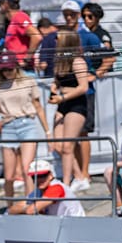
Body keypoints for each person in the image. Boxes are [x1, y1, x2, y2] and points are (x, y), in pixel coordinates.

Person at [0, 52, 50, 200]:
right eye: (4, 70)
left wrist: (47, 131)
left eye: (10, 69)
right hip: (8, 126)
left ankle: (30, 203)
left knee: (27, 169)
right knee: (9, 176)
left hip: (27, 123)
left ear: (16, 67)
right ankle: (10, 206)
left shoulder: (28, 80)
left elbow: (38, 106)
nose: (7, 73)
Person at [48, 30, 92, 193]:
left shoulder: (77, 62)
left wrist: (63, 97)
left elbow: (83, 87)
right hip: (62, 104)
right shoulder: (60, 61)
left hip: (75, 105)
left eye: (58, 40)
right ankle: (79, 177)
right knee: (59, 145)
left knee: (68, 146)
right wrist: (54, 88)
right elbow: (57, 82)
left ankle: (66, 183)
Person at [8, 159, 84, 216]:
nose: (39, 179)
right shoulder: (38, 191)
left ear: (50, 175)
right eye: (35, 177)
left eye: (43, 175)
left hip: (75, 225)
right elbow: (12, 210)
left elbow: (30, 211)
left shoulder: (57, 187)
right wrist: (29, 207)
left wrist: (28, 208)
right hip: (61, 225)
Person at [0, 0, 40, 69]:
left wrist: (27, 59)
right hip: (15, 70)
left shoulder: (19, 17)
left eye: (0, 2)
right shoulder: (13, 21)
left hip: (23, 70)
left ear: (6, 3)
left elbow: (37, 37)